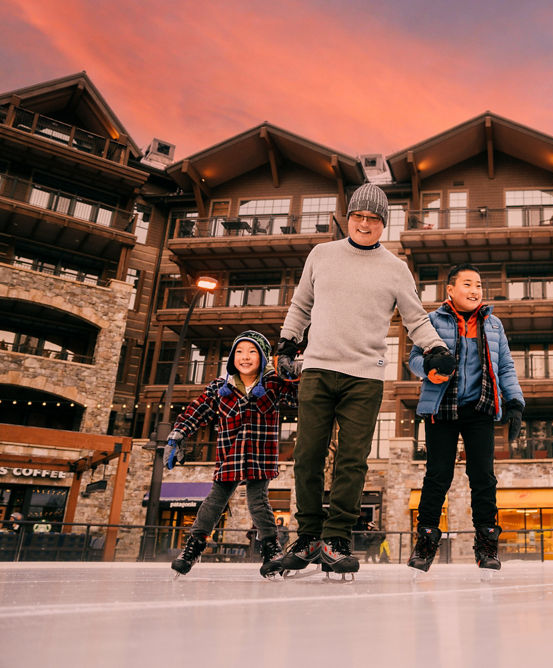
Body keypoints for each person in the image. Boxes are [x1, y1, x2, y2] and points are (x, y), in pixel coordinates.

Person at [276, 183, 454, 577]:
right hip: (318, 368)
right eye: (358, 216)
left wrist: (436, 348)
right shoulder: (322, 255)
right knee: (307, 455)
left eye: (373, 219)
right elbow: (301, 305)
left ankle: (336, 539)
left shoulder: (395, 268)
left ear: (383, 224)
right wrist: (287, 343)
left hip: (364, 376)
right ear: (348, 218)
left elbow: (415, 318)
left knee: (352, 460)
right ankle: (308, 536)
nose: (364, 223)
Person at [405, 263, 525, 573]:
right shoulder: (432, 321)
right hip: (442, 408)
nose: (474, 290)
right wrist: (428, 369)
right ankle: (425, 542)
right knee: (437, 475)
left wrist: (514, 402)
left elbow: (506, 366)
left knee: (483, 477)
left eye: (479, 285)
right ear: (450, 289)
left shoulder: (493, 325)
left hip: (479, 408)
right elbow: (414, 359)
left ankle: (486, 545)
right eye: (467, 284)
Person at [164, 330, 299, 578]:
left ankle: (272, 550)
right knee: (214, 502)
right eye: (239, 352)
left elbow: (299, 398)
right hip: (231, 455)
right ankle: (193, 547)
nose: (245, 357)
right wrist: (178, 434)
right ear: (232, 358)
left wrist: (292, 374)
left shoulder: (273, 384)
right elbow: (197, 411)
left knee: (258, 502)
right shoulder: (220, 387)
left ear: (262, 357)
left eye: (252, 352)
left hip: (260, 455)